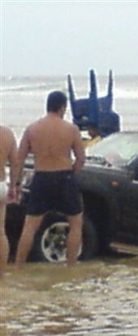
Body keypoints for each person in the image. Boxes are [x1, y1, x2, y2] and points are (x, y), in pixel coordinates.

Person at [14, 91, 86, 268]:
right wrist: (72, 174)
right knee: (75, 224)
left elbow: (19, 159)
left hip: (42, 177)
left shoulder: (32, 129)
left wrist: (17, 183)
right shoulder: (71, 129)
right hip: (64, 176)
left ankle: (18, 267)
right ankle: (71, 266)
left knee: (30, 226)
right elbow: (81, 158)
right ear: (62, 107)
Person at [0, 125, 18, 279]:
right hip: (0, 185)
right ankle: (1, 274)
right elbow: (15, 164)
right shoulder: (7, 134)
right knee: (0, 232)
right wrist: (13, 186)